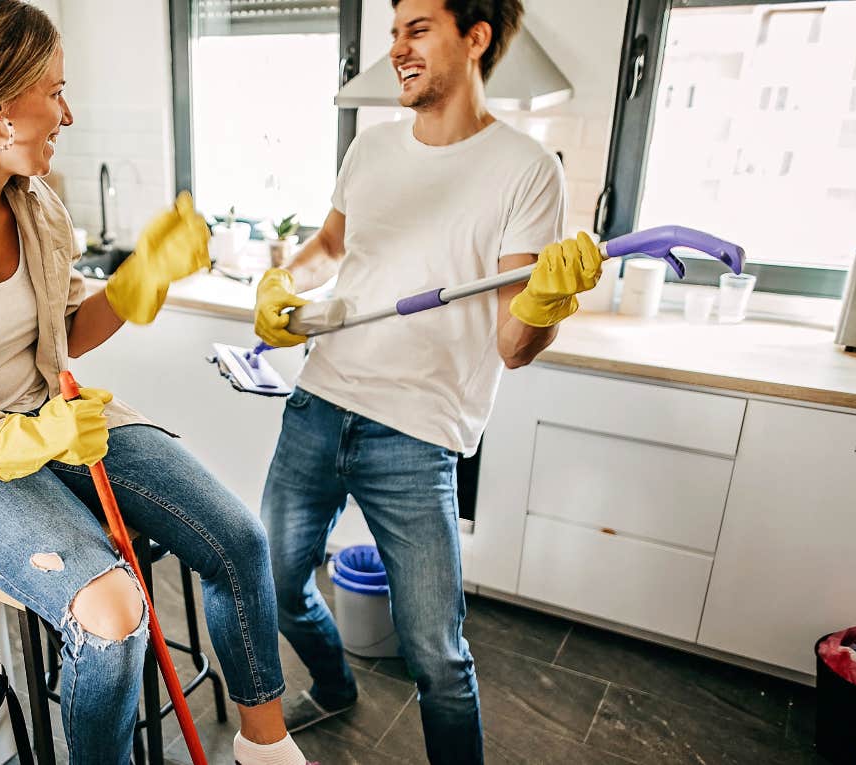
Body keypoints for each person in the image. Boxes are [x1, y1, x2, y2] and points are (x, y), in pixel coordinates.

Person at [0, 2, 308, 763]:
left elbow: (63, 333)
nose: (68, 111)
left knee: (239, 540)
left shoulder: (36, 202)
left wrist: (135, 280)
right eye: (53, 91)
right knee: (113, 612)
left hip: (58, 420)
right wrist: (16, 437)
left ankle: (268, 748)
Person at [253, 0, 602, 762]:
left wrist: (546, 305)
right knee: (275, 585)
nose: (398, 49)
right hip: (319, 402)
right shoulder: (372, 149)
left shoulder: (527, 170)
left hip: (416, 436)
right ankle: (337, 685)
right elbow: (329, 245)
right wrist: (283, 280)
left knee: (438, 657)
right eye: (393, 32)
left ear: (475, 37)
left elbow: (514, 343)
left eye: (418, 29)